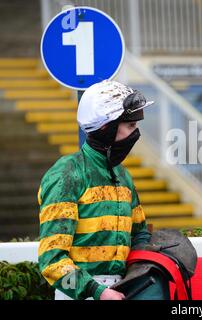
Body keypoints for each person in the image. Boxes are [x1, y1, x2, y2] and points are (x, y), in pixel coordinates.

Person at [37, 80, 155, 300]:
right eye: (130, 126)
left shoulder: (123, 175)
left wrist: (142, 266)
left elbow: (139, 234)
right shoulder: (66, 174)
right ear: (106, 127)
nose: (136, 133)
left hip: (122, 290)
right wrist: (97, 292)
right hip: (79, 294)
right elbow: (51, 261)